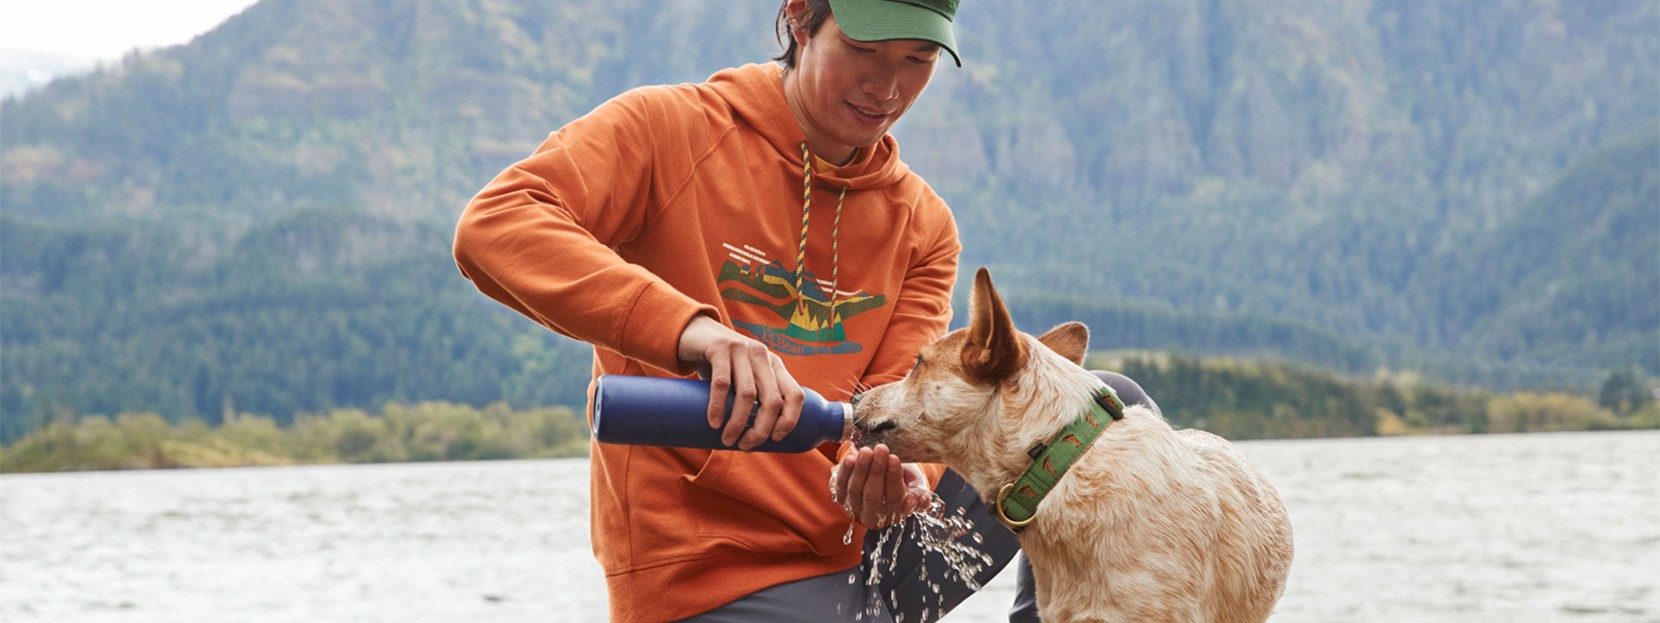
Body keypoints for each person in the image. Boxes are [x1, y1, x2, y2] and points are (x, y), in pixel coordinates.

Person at [454, 1, 1158, 620]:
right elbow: (496, 224)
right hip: (712, 583)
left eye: (917, 60)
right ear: (799, 17)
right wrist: (693, 333)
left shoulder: (922, 223)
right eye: (863, 50)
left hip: (877, 553)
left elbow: (903, 409)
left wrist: (902, 477)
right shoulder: (668, 130)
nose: (886, 87)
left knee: (1104, 409)